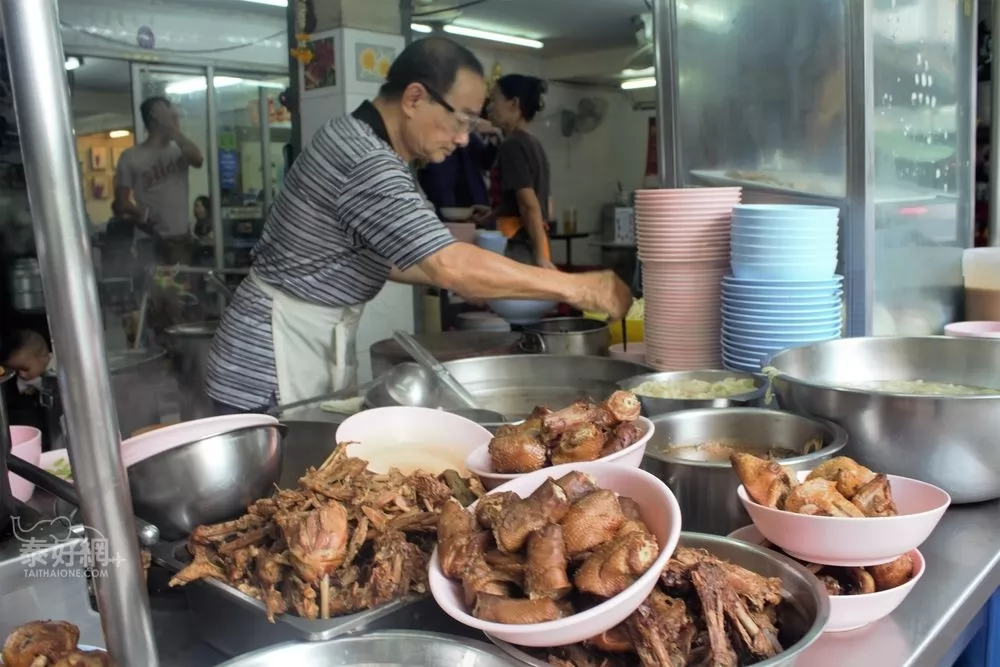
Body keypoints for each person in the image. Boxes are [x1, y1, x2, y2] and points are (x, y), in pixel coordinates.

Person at [205, 37, 633, 414]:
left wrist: (455, 270)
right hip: (265, 367)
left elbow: (390, 261)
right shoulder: (366, 161)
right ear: (413, 98)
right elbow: (451, 267)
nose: (465, 137)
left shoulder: (357, 139)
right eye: (461, 119)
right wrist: (580, 287)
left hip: (299, 344)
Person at [112, 96, 205, 265]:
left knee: (185, 289)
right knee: (157, 289)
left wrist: (173, 131)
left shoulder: (179, 150)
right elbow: (121, 203)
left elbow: (198, 160)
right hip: (151, 239)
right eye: (171, 117)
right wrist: (142, 216)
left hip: (182, 238)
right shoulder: (131, 156)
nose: (176, 121)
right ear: (156, 119)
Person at [486, 74, 555, 269]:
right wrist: (493, 212)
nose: (489, 107)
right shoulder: (534, 143)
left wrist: (541, 258)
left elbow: (529, 204)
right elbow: (545, 205)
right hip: (535, 241)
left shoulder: (512, 145)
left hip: (518, 246)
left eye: (494, 100)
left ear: (514, 104)